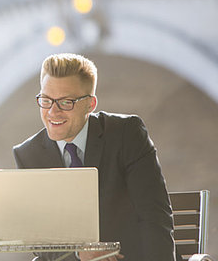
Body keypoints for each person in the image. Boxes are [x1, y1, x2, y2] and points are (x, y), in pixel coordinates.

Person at [13, 53, 176, 261]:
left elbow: (154, 217)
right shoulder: (28, 154)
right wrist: (78, 255)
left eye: (66, 102)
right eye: (46, 100)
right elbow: (41, 243)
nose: (53, 112)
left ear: (90, 104)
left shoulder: (127, 134)